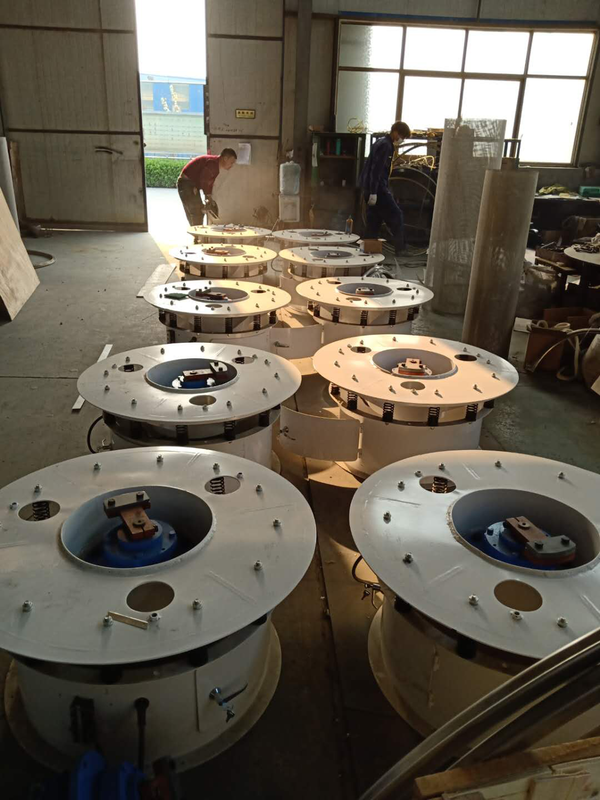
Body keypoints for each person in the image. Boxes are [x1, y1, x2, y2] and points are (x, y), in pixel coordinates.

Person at [360, 121, 411, 255]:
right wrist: (374, 192)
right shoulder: (386, 146)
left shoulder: (380, 142)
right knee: (396, 215)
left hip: (371, 187)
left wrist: (370, 190)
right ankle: (401, 249)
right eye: (402, 136)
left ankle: (368, 248)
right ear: (395, 132)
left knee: (374, 220)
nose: (401, 140)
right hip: (377, 189)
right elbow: (376, 170)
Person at [177, 148, 237, 226]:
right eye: (231, 162)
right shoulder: (213, 164)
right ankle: (197, 232)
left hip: (189, 184)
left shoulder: (215, 165)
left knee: (196, 212)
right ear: (225, 158)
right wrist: (208, 197)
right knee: (196, 212)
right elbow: (204, 180)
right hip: (187, 184)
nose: (232, 165)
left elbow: (208, 183)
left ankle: (196, 232)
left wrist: (209, 197)